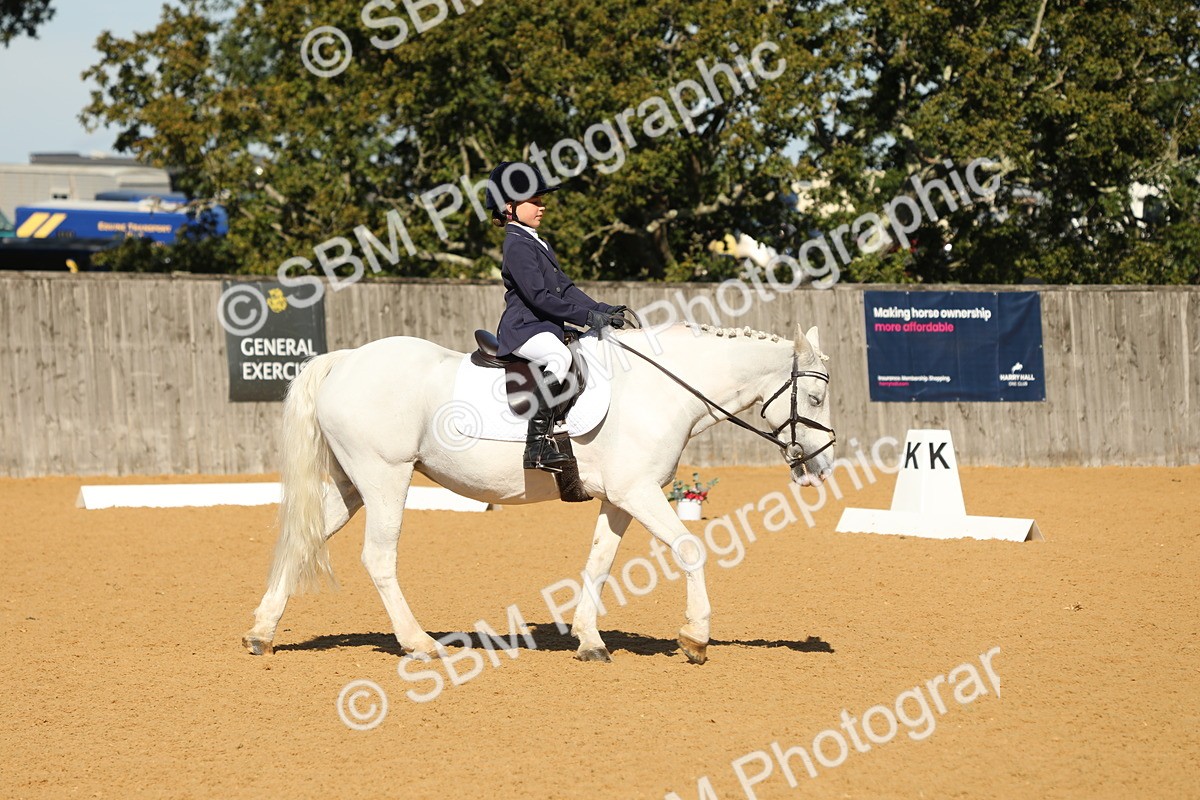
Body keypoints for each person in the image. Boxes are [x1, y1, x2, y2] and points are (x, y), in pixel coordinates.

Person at [484, 161, 627, 473]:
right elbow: (539, 298)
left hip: (542, 326)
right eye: (534, 201)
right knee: (559, 358)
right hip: (524, 329)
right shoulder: (516, 245)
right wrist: (587, 316)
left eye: (542, 200)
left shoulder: (536, 241)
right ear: (509, 207)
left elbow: (565, 288)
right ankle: (536, 445)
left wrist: (601, 310)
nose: (542, 207)